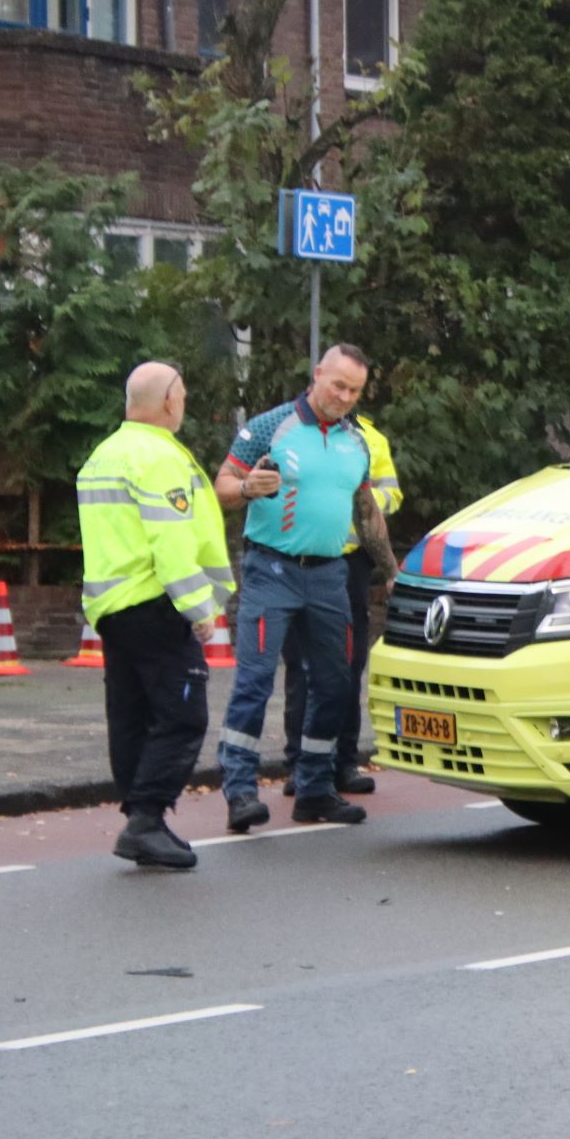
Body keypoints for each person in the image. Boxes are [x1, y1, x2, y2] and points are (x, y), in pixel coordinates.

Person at [213, 345, 378, 833]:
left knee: (334, 684)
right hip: (272, 572)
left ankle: (314, 789)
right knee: (254, 681)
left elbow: (367, 512)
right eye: (338, 385)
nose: (345, 397)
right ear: (317, 375)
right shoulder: (270, 427)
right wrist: (246, 489)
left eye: (355, 391)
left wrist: (390, 571)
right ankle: (240, 792)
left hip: (330, 575)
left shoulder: (357, 442)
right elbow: (221, 483)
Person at [76, 361, 232, 871]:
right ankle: (145, 820)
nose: (183, 404)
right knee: (184, 716)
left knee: (131, 714)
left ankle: (141, 819)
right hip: (156, 604)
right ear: (169, 401)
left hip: (111, 608)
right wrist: (199, 607)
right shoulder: (159, 458)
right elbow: (171, 540)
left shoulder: (103, 456)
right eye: (182, 395)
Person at [279, 410, 400, 794]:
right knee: (301, 666)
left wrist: (356, 493)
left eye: (349, 388)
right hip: (300, 558)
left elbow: (391, 494)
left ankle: (344, 762)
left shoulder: (371, 438)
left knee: (347, 665)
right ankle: (298, 764)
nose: (341, 396)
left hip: (349, 563)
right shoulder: (290, 430)